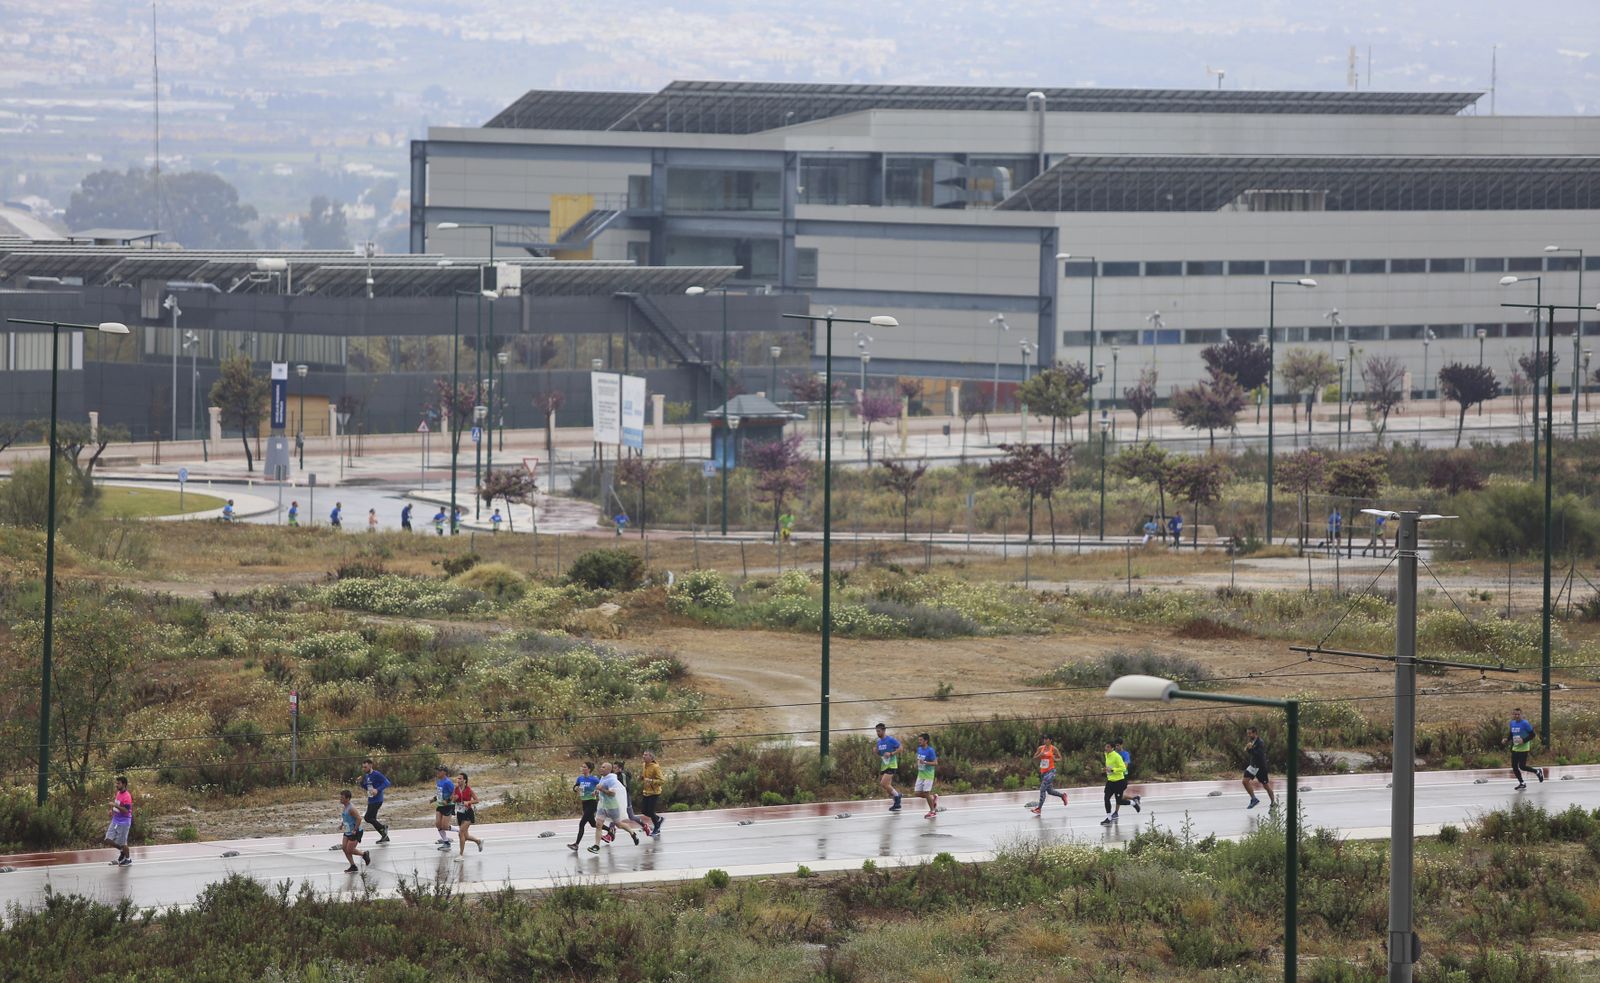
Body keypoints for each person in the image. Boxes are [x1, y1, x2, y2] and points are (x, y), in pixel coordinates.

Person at [588, 763, 646, 853]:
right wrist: (596, 792)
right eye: (601, 767)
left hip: (612, 806)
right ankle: (596, 846)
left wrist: (602, 789)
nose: (601, 768)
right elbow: (600, 788)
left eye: (603, 767)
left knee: (619, 824)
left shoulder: (612, 780)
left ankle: (632, 833)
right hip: (602, 805)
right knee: (598, 825)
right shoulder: (602, 778)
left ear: (608, 770)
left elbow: (612, 793)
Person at [1506, 707, 1546, 790]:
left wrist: (1523, 740)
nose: (1517, 716)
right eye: (1515, 714)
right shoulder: (1512, 723)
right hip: (1515, 747)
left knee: (1522, 766)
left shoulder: (1525, 723)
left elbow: (1532, 735)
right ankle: (1522, 783)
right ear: (1513, 715)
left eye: (1518, 714)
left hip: (1524, 748)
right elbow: (1511, 734)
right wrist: (1506, 739)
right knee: (1514, 766)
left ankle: (1537, 771)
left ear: (1521, 715)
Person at [1101, 741, 1140, 825]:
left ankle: (1133, 803)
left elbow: (1123, 768)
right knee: (1106, 799)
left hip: (1119, 782)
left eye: (1108, 747)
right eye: (1105, 746)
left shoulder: (1117, 756)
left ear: (1112, 748)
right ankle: (1109, 818)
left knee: (1119, 801)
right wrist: (1105, 769)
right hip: (1110, 781)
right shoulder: (1106, 754)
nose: (1106, 748)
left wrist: (1112, 770)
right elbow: (1110, 766)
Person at [1030, 735, 1069, 815]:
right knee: (1050, 791)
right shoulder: (1040, 748)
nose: (1045, 740)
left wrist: (1055, 759)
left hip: (1051, 771)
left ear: (1050, 740)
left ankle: (1039, 808)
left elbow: (1060, 758)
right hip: (1043, 772)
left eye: (1046, 739)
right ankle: (1062, 796)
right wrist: (1039, 755)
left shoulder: (1053, 749)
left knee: (1042, 789)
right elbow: (1034, 758)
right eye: (1044, 739)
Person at [357, 758, 392, 843]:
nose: (364, 769)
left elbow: (387, 783)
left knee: (368, 818)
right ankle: (384, 836)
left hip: (377, 800)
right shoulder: (367, 776)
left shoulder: (376, 774)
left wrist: (377, 790)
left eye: (365, 767)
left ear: (370, 766)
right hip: (371, 800)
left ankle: (383, 827)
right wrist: (360, 783)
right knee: (373, 819)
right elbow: (367, 788)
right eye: (363, 767)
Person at [568, 762, 601, 852]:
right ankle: (610, 830)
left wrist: (596, 792)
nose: (582, 768)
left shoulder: (594, 779)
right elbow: (575, 786)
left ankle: (576, 844)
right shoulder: (580, 778)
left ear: (589, 769)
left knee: (582, 823)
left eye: (584, 767)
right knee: (593, 824)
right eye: (582, 767)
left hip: (592, 803)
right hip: (584, 803)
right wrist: (575, 788)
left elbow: (600, 788)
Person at [1242, 726, 1277, 810]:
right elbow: (1252, 752)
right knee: (1245, 781)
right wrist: (1248, 749)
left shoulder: (1260, 742)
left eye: (1250, 733)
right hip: (1253, 766)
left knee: (1266, 786)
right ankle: (1254, 799)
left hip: (1260, 767)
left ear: (1255, 733)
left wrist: (1250, 749)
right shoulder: (1252, 741)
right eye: (1247, 733)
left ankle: (1273, 802)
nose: (1248, 735)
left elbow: (1258, 755)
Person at [338, 790, 372, 873]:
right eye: (340, 797)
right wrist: (342, 824)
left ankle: (364, 854)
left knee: (350, 849)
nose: (340, 799)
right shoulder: (345, 807)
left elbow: (359, 818)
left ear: (348, 798)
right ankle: (353, 866)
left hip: (355, 831)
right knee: (344, 848)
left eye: (342, 797)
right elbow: (346, 818)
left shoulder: (351, 808)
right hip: (347, 831)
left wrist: (355, 830)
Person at [452, 771, 484, 859]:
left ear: (465, 780)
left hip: (468, 813)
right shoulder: (456, 789)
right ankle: (478, 841)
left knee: (460, 833)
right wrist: (454, 799)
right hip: (459, 813)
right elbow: (452, 800)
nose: (458, 780)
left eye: (460, 779)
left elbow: (477, 800)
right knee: (465, 836)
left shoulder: (469, 789)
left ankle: (461, 855)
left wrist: (468, 802)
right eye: (457, 778)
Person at [104, 775, 134, 866]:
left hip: (124, 822)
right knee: (108, 839)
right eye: (116, 783)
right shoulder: (118, 793)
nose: (116, 785)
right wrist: (112, 811)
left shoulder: (127, 796)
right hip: (115, 820)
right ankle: (122, 851)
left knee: (122, 842)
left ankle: (128, 859)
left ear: (124, 784)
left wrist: (115, 806)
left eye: (118, 783)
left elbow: (126, 811)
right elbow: (116, 804)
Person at [873, 723, 903, 812]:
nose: (877, 733)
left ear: (884, 730)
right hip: (884, 766)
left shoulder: (890, 740)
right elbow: (881, 754)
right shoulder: (879, 742)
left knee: (883, 783)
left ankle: (897, 797)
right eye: (876, 731)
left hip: (892, 765)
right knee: (887, 787)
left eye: (879, 731)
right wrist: (876, 752)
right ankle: (897, 802)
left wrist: (891, 753)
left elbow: (901, 748)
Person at [911, 733, 940, 819]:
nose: (919, 741)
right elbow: (918, 759)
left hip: (928, 775)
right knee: (917, 793)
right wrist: (916, 764)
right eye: (919, 740)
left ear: (926, 741)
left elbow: (935, 763)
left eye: (921, 740)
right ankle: (933, 798)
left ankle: (932, 811)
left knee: (926, 792)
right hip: (920, 774)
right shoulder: (919, 749)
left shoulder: (930, 750)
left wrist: (925, 762)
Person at [639, 751, 665, 837]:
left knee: (650, 811)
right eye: (643, 754)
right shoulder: (644, 765)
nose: (643, 756)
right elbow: (645, 776)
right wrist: (642, 777)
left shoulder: (655, 767)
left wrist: (651, 781)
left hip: (654, 792)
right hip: (646, 791)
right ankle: (658, 819)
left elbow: (662, 781)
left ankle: (657, 828)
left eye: (646, 755)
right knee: (644, 811)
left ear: (651, 757)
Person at [433, 766, 456, 850]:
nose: (437, 772)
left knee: (444, 826)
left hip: (448, 806)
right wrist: (434, 799)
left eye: (439, 771)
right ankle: (446, 842)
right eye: (437, 771)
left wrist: (447, 800)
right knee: (438, 824)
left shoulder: (448, 782)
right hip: (440, 805)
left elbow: (454, 793)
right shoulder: (439, 781)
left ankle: (461, 831)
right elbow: (439, 793)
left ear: (444, 772)